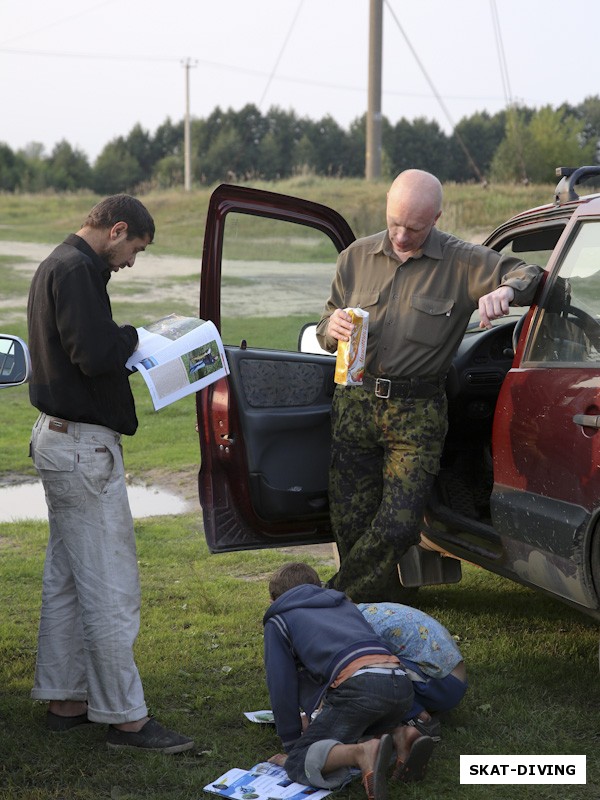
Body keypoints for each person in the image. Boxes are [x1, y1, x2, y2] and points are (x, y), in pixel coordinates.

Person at [316, 169, 544, 602]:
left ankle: (332, 600)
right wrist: (333, 326)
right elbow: (326, 323)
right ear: (387, 206)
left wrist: (507, 292)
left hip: (416, 413)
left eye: (415, 228)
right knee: (351, 521)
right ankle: (377, 613)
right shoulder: (355, 257)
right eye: (395, 223)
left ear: (436, 217)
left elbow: (527, 272)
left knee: (400, 523)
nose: (401, 236)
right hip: (355, 403)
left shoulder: (461, 261)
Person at [27, 194, 193, 753]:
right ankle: (126, 719)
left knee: (69, 578)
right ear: (116, 229)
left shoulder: (58, 263)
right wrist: (135, 337)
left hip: (58, 438)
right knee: (109, 586)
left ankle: (65, 698)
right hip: (80, 449)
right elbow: (95, 354)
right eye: (134, 250)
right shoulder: (76, 270)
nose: (130, 263)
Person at [263, 562, 435, 800]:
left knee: (300, 760)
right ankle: (400, 735)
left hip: (360, 688)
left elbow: (281, 685)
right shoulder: (343, 604)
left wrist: (293, 746)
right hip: (400, 683)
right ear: (318, 586)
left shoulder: (279, 619)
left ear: (274, 600)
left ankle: (361, 754)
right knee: (356, 728)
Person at [358, 602, 468, 740]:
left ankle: (418, 718)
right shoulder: (370, 610)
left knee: (362, 666)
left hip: (443, 684)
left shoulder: (358, 625)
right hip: (451, 678)